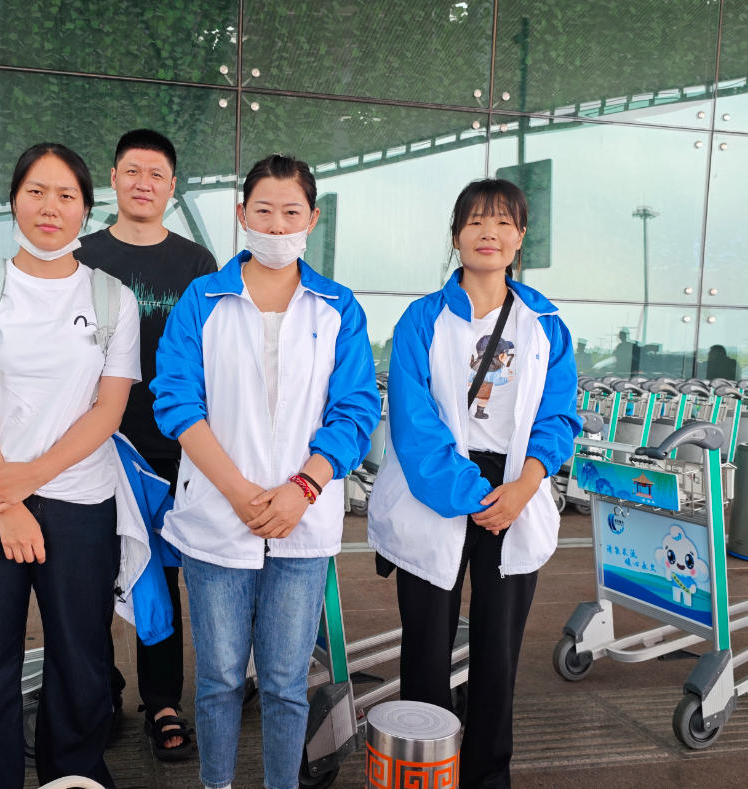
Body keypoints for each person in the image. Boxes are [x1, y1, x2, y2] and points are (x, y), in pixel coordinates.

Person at [151, 154, 380, 789]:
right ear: (241, 214)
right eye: (264, 211)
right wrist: (238, 492)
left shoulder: (337, 307)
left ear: (312, 218)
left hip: (302, 521)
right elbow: (177, 400)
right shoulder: (203, 299)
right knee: (220, 678)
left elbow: (356, 409)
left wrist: (303, 487)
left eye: (291, 213)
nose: (277, 227)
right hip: (217, 516)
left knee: (283, 682)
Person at [0, 142, 141, 788]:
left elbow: (108, 411)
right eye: (36, 192)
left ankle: (72, 775)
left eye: (66, 195)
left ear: (86, 209)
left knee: (81, 654)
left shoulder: (112, 299)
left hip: (80, 501)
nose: (51, 207)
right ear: (14, 200)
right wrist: (8, 501)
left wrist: (30, 479)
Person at [368, 178, 581, 789]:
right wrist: (474, 495)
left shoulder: (545, 323)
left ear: (520, 237)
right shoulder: (423, 319)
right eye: (476, 222)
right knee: (426, 647)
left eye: (503, 222)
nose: (489, 233)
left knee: (498, 651)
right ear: (456, 234)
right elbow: (413, 421)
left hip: (516, 488)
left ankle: (489, 775)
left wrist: (524, 486)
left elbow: (559, 416)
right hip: (437, 488)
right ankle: (422, 769)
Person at [78, 128, 217, 760]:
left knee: (161, 576)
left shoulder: (195, 264)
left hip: (169, 448)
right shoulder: (82, 255)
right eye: (132, 171)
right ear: (113, 179)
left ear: (171, 186)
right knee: (87, 578)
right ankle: (97, 694)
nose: (143, 183)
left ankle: (162, 701)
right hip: (89, 444)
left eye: (156, 174)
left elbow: (212, 357)